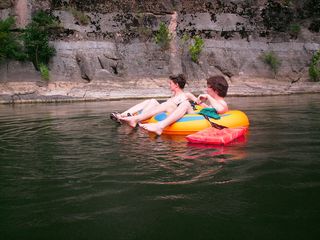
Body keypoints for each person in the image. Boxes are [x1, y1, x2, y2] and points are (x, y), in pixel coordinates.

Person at [140, 75, 229, 135]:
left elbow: (220, 109)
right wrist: (201, 103)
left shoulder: (222, 103)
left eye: (208, 87)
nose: (206, 89)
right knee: (174, 105)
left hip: (200, 118)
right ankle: (143, 119)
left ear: (215, 90)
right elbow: (210, 109)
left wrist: (208, 97)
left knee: (186, 104)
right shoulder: (215, 102)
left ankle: (160, 126)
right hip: (199, 114)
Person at [111, 74, 200, 127]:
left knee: (167, 104)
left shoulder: (186, 94)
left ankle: (135, 119)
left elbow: (198, 102)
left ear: (176, 85)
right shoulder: (171, 97)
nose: (169, 85)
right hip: (167, 110)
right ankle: (122, 115)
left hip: (176, 112)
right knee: (152, 101)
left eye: (170, 83)